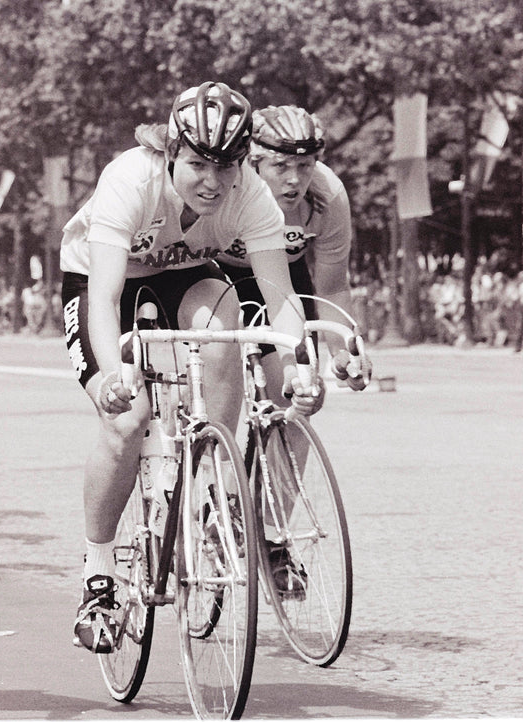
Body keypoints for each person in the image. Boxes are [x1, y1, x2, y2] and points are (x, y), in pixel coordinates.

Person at [59, 81, 325, 654]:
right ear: (171, 152)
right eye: (199, 164)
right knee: (127, 420)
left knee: (226, 319)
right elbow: (102, 298)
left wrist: (298, 364)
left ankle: (214, 470)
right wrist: (111, 377)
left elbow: (279, 298)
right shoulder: (131, 178)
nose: (213, 181)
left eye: (227, 166)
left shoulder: (251, 193)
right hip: (104, 281)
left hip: (184, 274)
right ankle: (98, 572)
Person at [217, 104, 369, 393]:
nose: (294, 179)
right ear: (253, 164)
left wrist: (343, 352)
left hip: (284, 278)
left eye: (305, 165)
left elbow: (333, 287)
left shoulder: (329, 196)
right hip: (221, 273)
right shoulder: (226, 188)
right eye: (280, 165)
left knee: (301, 389)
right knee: (221, 378)